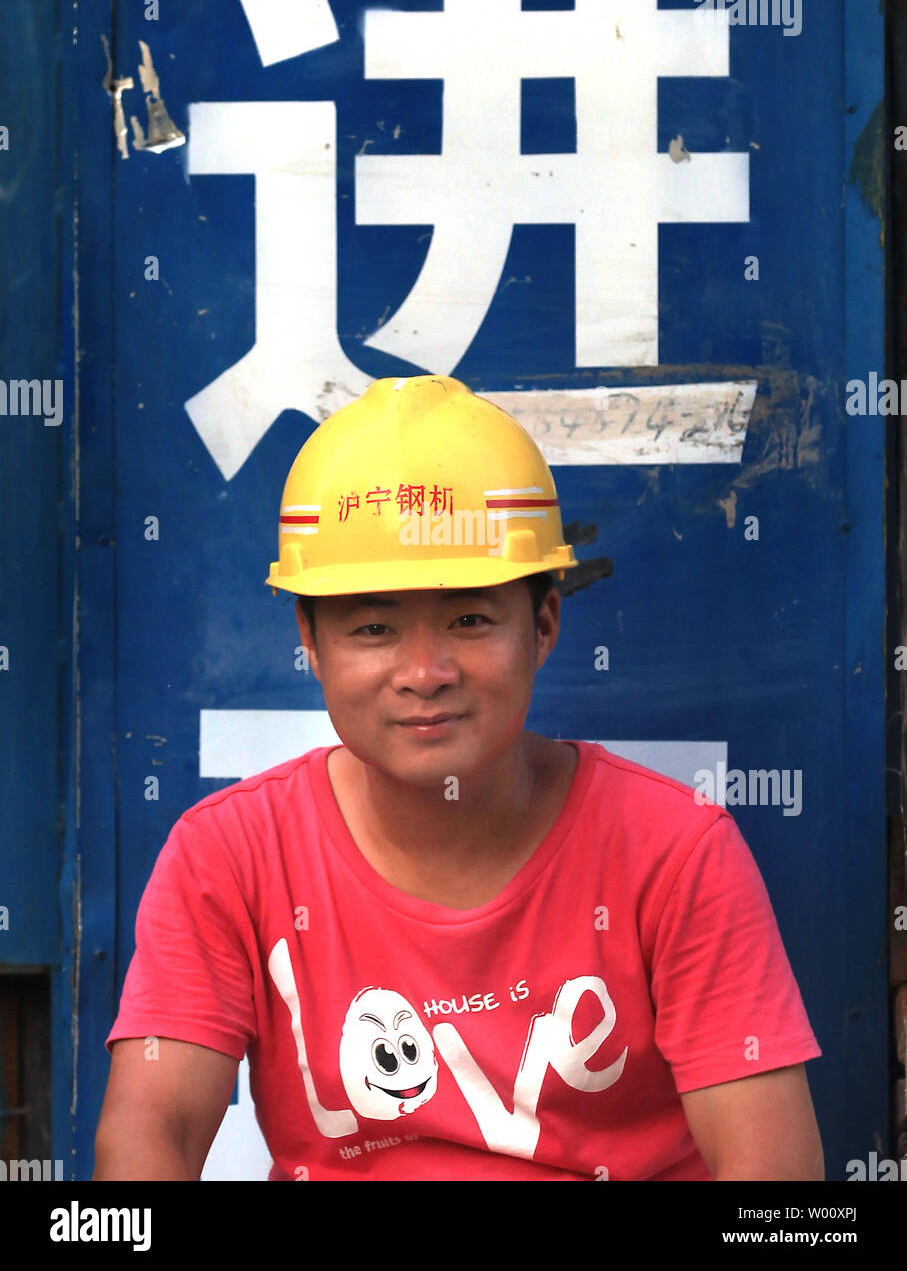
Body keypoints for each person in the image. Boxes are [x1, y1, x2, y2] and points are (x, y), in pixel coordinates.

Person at [94, 374, 823, 1181]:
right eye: (372, 627)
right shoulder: (227, 855)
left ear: (543, 624)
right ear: (310, 639)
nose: (423, 671)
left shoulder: (675, 851)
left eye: (469, 619)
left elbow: (774, 1180)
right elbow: (148, 1134)